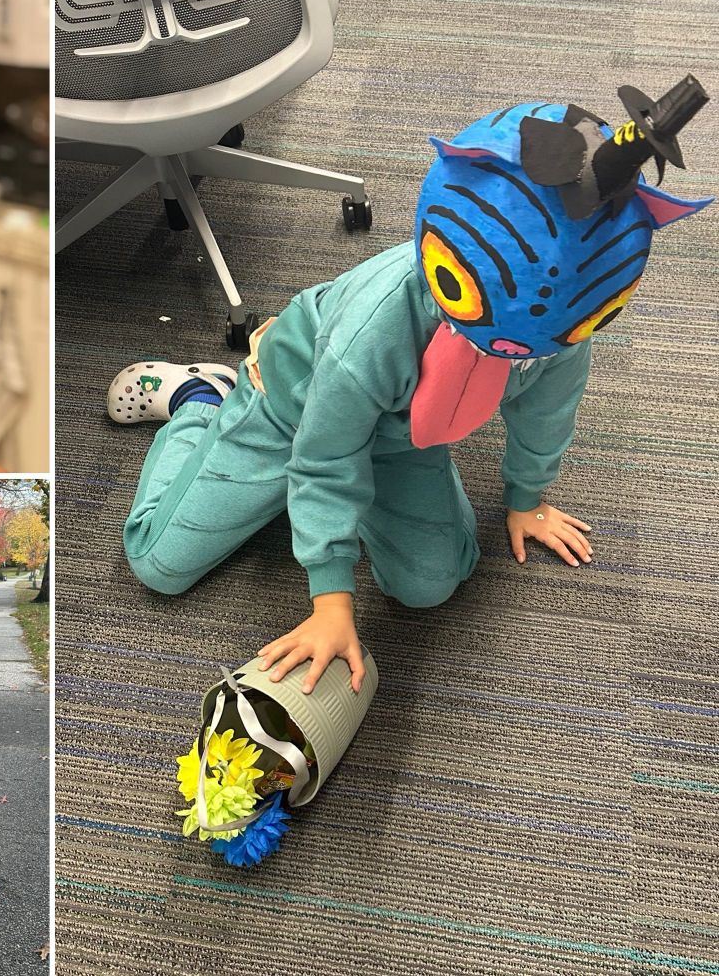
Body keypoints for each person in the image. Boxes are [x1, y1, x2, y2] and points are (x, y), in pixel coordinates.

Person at [107, 80, 711, 697]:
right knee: (160, 566)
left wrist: (526, 499)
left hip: (401, 438)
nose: (506, 357)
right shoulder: (377, 326)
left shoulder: (560, 318)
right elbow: (324, 457)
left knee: (430, 586)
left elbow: (547, 412)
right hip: (289, 409)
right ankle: (198, 399)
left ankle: (338, 499)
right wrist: (331, 597)